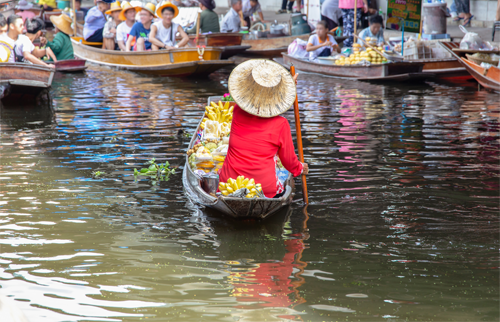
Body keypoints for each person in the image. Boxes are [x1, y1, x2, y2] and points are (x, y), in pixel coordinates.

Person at [219, 59, 309, 198]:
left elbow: (264, 109)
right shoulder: (281, 124)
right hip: (265, 190)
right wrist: (301, 168)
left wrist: (287, 87)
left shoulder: (237, 110)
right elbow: (289, 163)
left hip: (228, 185)